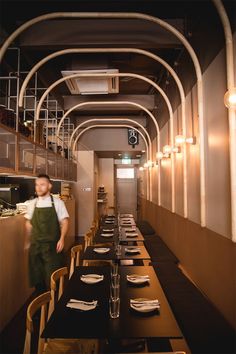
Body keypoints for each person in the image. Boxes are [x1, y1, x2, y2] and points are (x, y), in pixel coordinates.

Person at [25, 174, 69, 293]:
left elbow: (65, 222)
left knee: (54, 280)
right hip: (36, 249)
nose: (38, 188)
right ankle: (42, 308)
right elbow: (29, 223)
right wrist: (28, 241)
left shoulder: (58, 203)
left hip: (52, 248)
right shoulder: (32, 204)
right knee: (38, 283)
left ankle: (55, 307)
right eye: (37, 185)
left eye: (42, 184)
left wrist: (62, 238)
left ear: (49, 186)